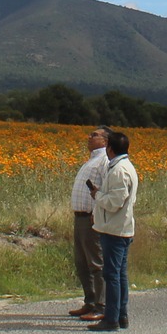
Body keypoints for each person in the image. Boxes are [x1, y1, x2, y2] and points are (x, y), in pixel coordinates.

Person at [88, 129, 137, 331]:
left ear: (109, 148)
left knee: (112, 275)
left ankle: (111, 318)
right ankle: (121, 315)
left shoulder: (118, 170)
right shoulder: (125, 167)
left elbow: (115, 202)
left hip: (114, 229)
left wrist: (97, 196)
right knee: (120, 274)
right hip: (121, 227)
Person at [68, 127, 109, 320]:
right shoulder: (91, 160)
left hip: (91, 218)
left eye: (94, 135)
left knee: (95, 262)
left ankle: (101, 306)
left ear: (106, 140)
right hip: (80, 217)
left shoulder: (104, 161)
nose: (89, 137)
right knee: (81, 262)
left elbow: (106, 188)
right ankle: (89, 301)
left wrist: (97, 211)